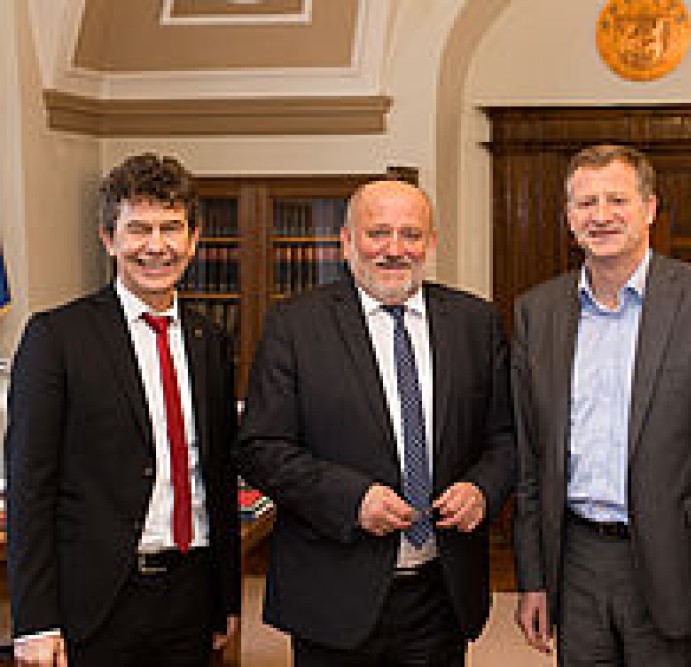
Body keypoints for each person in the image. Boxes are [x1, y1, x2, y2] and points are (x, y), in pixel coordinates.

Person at [234, 178, 515, 666]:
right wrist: (352, 499)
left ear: (430, 243)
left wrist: (483, 488)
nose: (394, 249)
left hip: (441, 592)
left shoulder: (475, 322)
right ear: (346, 242)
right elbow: (261, 447)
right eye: (378, 233)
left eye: (410, 234)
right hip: (333, 592)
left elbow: (506, 437)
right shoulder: (295, 326)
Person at [513, 144, 691, 666]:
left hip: (679, 561)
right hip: (576, 559)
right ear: (568, 218)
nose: (601, 216)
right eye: (585, 203)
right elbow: (531, 461)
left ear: (649, 209)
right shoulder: (536, 313)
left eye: (617, 200)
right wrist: (533, 578)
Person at [5, 153, 240, 666]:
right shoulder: (56, 338)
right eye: (138, 230)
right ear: (109, 239)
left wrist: (226, 600)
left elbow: (218, 477)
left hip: (192, 594)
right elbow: (29, 487)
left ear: (194, 239)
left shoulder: (211, 340)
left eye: (171, 229)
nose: (156, 246)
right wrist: (35, 621)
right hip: (97, 599)